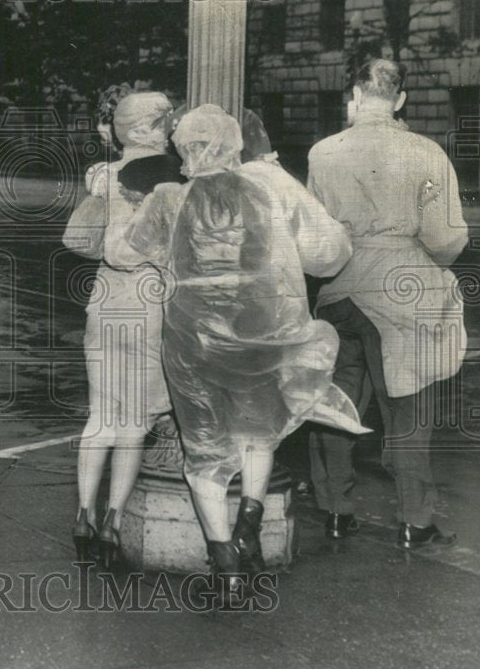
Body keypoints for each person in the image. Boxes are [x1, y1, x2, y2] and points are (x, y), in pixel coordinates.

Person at [107, 104, 367, 598]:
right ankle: (251, 523)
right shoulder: (268, 189)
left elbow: (119, 254)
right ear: (233, 145)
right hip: (259, 335)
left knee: (203, 449)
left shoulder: (166, 200)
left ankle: (224, 564)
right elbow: (325, 253)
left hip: (194, 344)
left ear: (183, 151)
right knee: (256, 434)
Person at [306, 59, 468, 550]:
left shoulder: (322, 153)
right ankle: (413, 520)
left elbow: (317, 239)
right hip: (404, 292)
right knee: (408, 407)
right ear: (400, 100)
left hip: (341, 290)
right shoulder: (426, 153)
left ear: (354, 96)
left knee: (336, 403)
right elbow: (444, 239)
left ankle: (335, 509)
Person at [64, 90, 180, 569]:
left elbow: (85, 239)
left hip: (105, 303)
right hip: (150, 306)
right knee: (132, 424)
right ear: (143, 130)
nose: (172, 129)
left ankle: (82, 515)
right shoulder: (174, 179)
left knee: (99, 417)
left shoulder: (103, 175)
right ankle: (113, 521)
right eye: (165, 122)